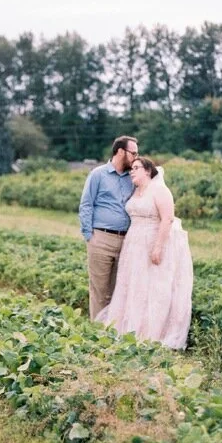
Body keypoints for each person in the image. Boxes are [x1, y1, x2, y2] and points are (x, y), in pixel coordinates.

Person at [96, 156, 194, 349]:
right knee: (133, 285)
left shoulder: (160, 190)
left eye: (136, 168)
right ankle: (129, 328)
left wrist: (158, 247)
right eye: (131, 168)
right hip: (133, 245)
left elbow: (167, 219)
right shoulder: (136, 191)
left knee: (152, 287)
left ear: (148, 171)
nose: (132, 171)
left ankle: (150, 332)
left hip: (152, 242)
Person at [79, 135, 138, 319]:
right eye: (133, 153)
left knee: (119, 291)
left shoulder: (133, 177)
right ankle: (97, 333)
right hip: (101, 239)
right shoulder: (98, 174)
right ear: (120, 151)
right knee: (100, 290)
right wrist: (89, 235)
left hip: (125, 241)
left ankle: (114, 332)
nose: (136, 157)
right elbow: (86, 204)